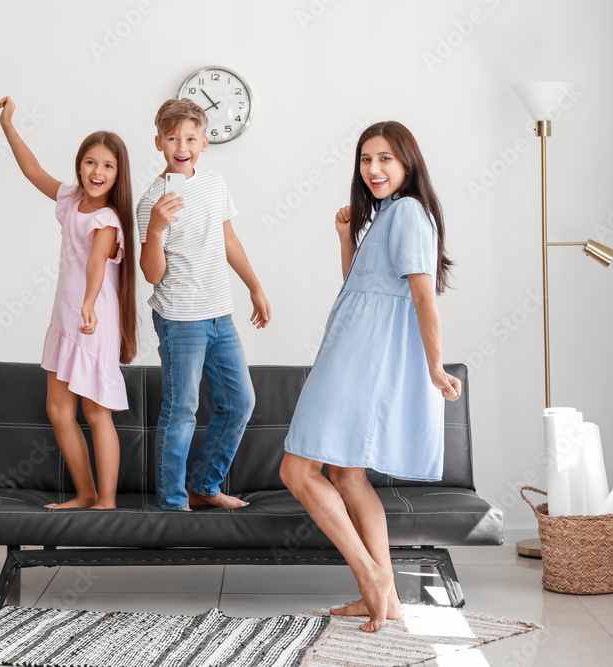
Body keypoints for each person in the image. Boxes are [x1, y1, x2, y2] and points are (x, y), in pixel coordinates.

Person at [280, 121, 462, 632]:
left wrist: (434, 365)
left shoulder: (406, 212)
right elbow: (359, 290)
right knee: (347, 475)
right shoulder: (387, 214)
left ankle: (372, 576)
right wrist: (346, 239)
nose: (374, 169)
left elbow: (424, 297)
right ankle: (386, 596)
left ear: (408, 163)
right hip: (352, 349)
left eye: (385, 158)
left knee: (297, 472)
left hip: (358, 358)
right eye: (365, 159)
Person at [0, 96, 137, 510]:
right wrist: (8, 126)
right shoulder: (71, 200)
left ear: (118, 175)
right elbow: (32, 170)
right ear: (80, 165)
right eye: (91, 162)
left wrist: (90, 304)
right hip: (66, 317)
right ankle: (86, 493)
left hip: (93, 319)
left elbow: (96, 263)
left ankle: (106, 502)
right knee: (59, 410)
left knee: (96, 414)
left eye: (108, 166)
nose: (98, 172)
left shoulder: (108, 220)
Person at [137, 98, 271, 511]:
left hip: (220, 314)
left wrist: (255, 287)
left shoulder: (214, 185)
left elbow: (229, 240)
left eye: (191, 137)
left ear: (204, 143)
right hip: (180, 319)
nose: (182, 145)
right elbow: (152, 274)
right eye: (173, 137)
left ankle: (204, 486)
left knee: (240, 403)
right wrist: (156, 230)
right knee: (183, 410)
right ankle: (173, 505)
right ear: (159, 142)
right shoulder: (151, 202)